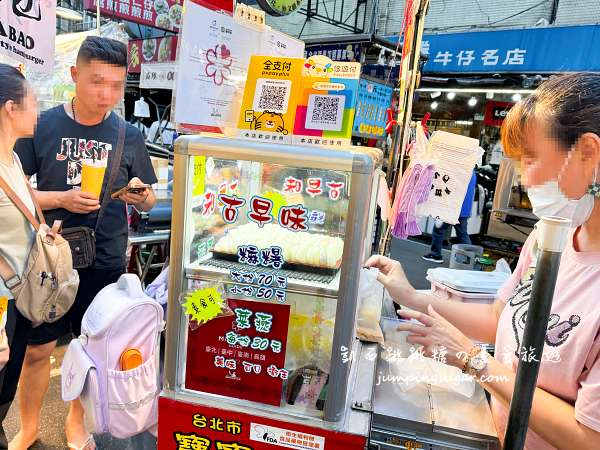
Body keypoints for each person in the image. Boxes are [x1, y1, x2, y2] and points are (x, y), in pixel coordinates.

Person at [367, 73, 600, 449]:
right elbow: (498, 319)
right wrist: (410, 295)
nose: (523, 178)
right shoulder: (547, 239)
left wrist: (473, 360)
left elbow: (590, 438)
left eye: (530, 158)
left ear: (588, 154)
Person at [11, 37, 158, 450]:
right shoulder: (43, 125)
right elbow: (13, 192)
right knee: (38, 351)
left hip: (105, 259)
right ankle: (29, 426)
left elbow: (149, 197)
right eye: (97, 83)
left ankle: (79, 422)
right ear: (75, 75)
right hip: (48, 261)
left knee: (93, 350)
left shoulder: (128, 134)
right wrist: (60, 199)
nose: (107, 95)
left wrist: (140, 194)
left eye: (116, 85)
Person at [0, 63, 38, 450]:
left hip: (18, 301)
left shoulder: (14, 161)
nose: (37, 111)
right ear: (11, 108)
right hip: (0, 304)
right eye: (33, 102)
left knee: (4, 394)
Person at [422, 170, 477, 263]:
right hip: (464, 209)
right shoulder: (472, 173)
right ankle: (471, 257)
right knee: (462, 234)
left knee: (438, 230)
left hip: (452, 208)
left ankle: (435, 255)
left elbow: (450, 189)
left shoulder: (459, 170)